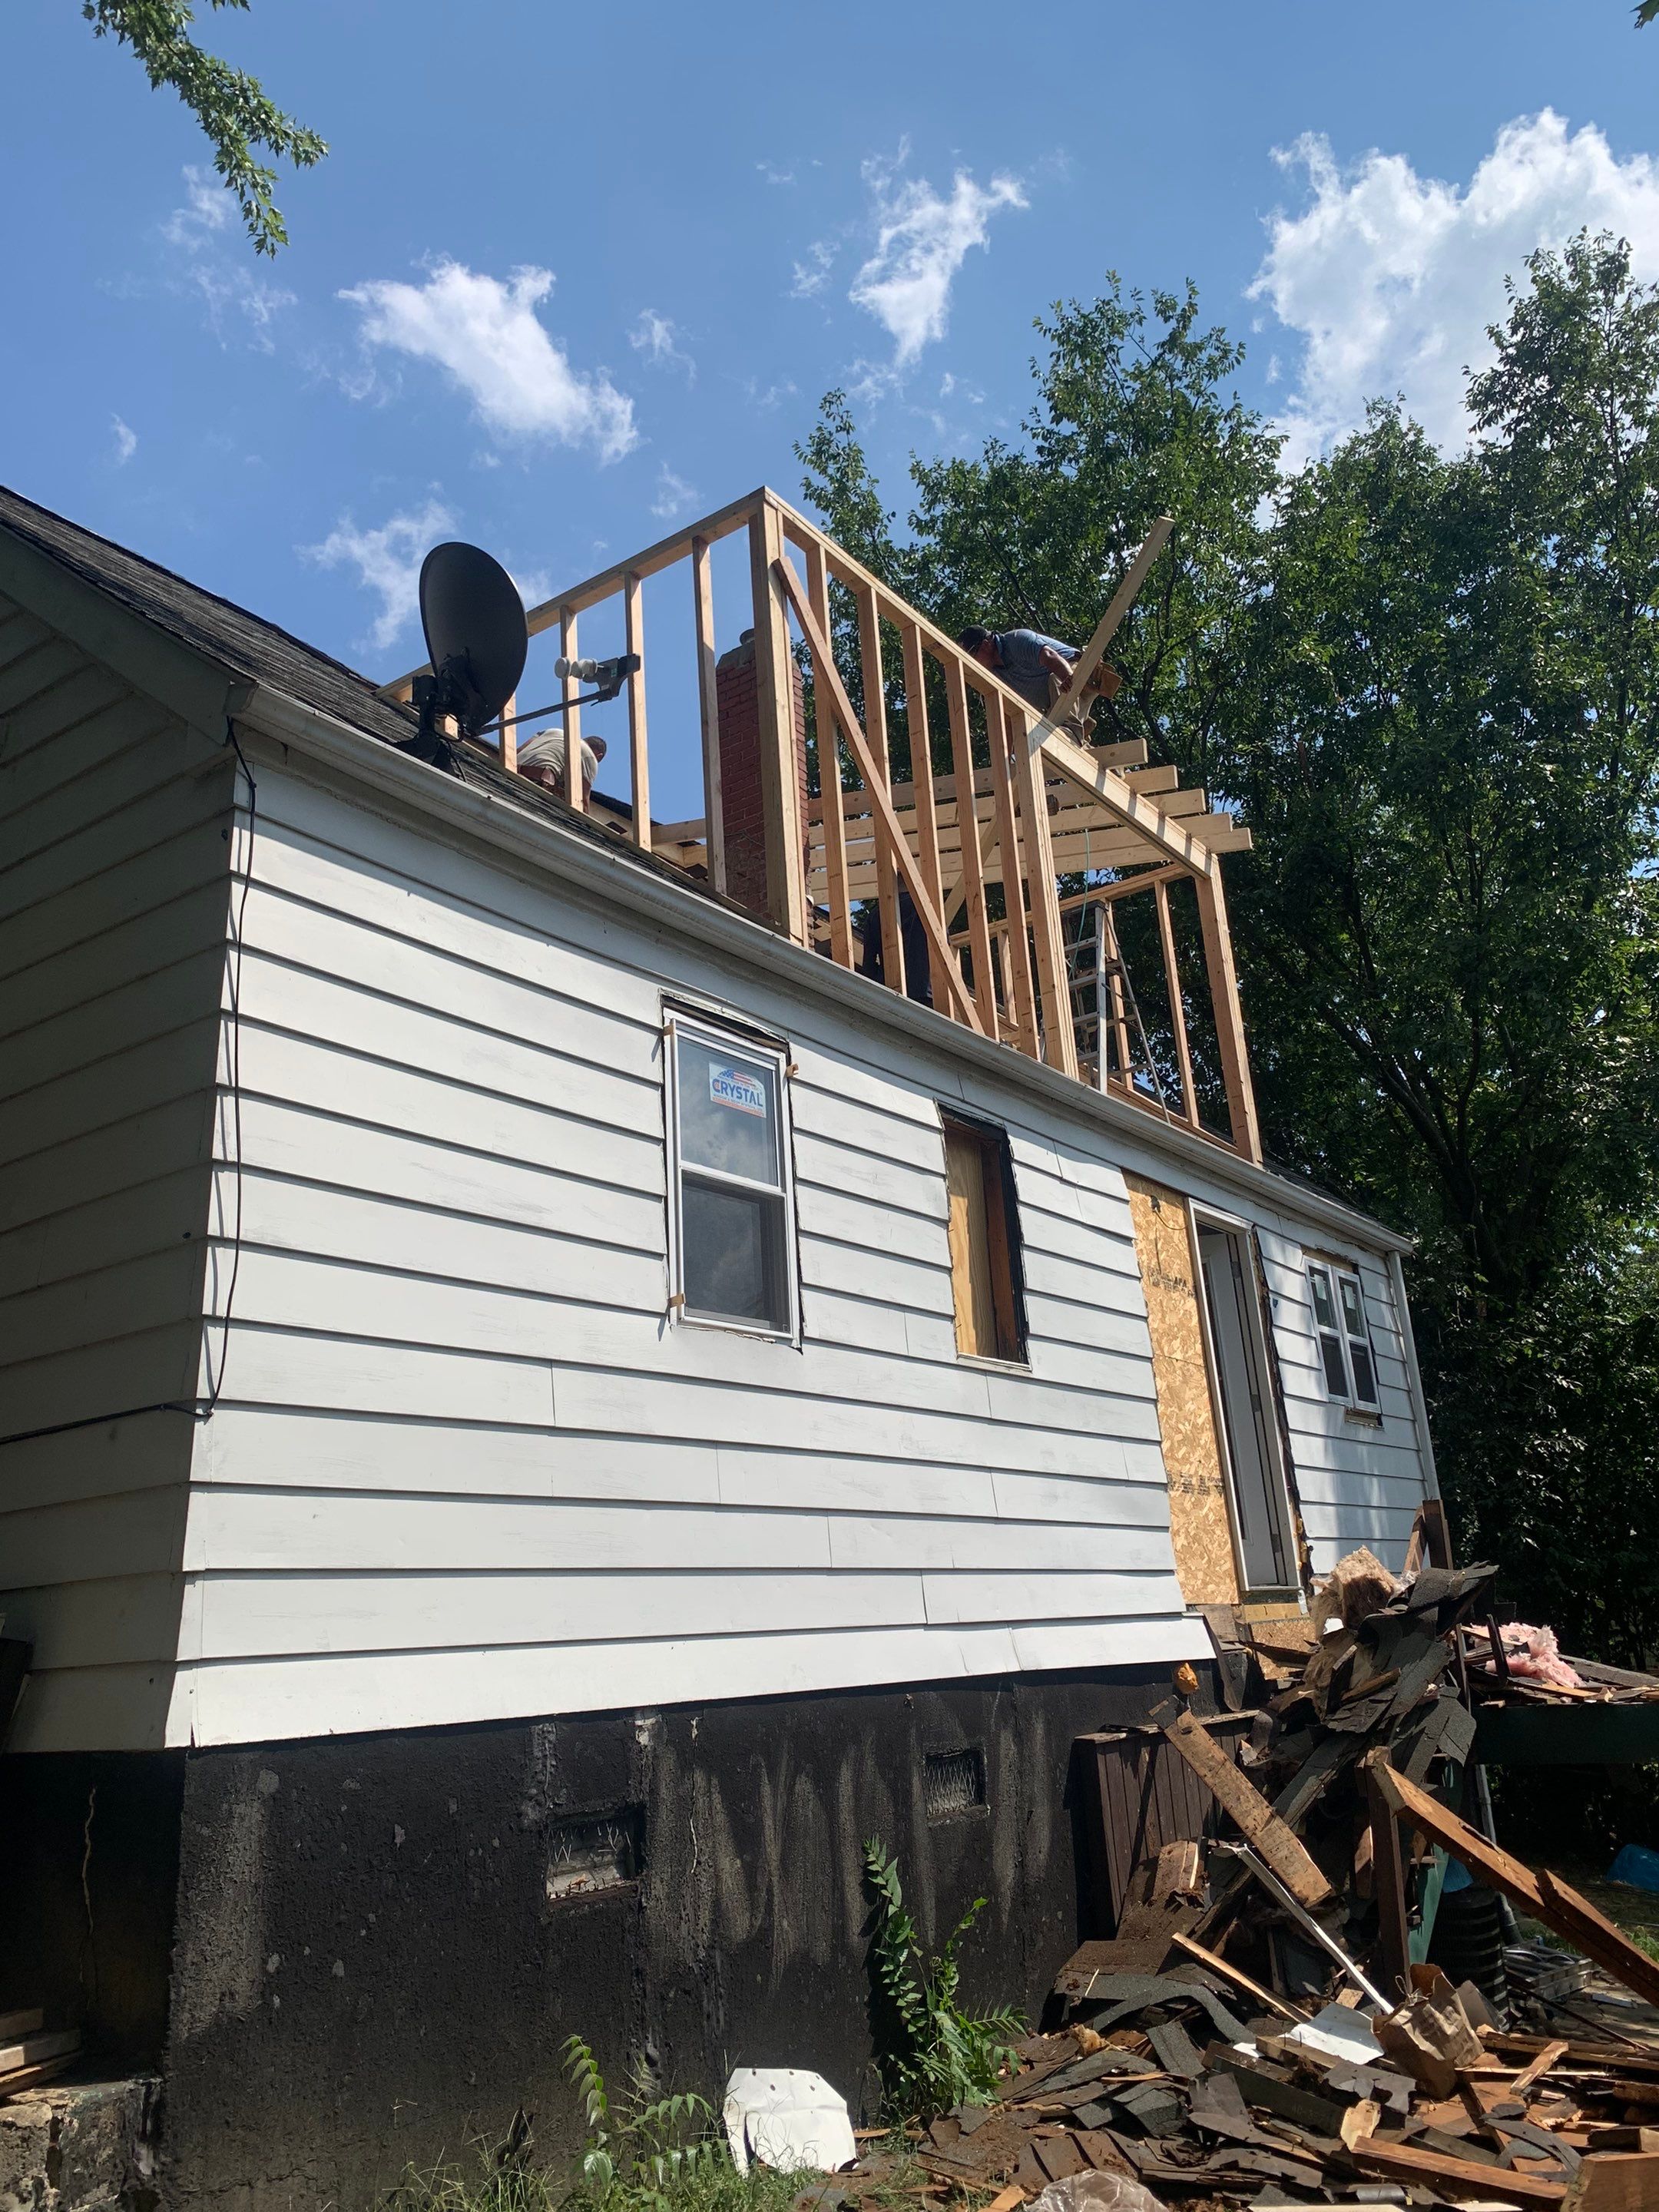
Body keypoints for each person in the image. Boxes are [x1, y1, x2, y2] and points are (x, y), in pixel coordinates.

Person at [956, 625, 1121, 737]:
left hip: (1078, 673)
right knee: (1046, 729)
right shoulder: (994, 677)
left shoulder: (1015, 641)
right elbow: (1007, 720)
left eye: (971, 657)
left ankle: (1071, 730)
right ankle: (1084, 737)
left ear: (985, 645)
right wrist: (1008, 762)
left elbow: (1050, 657)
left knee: (1054, 680)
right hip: (1057, 698)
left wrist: (1067, 678)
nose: (971, 666)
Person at [515, 727, 607, 799]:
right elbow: (583, 801)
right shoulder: (590, 757)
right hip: (537, 781)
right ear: (599, 756)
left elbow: (518, 751)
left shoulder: (552, 731)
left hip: (512, 770)